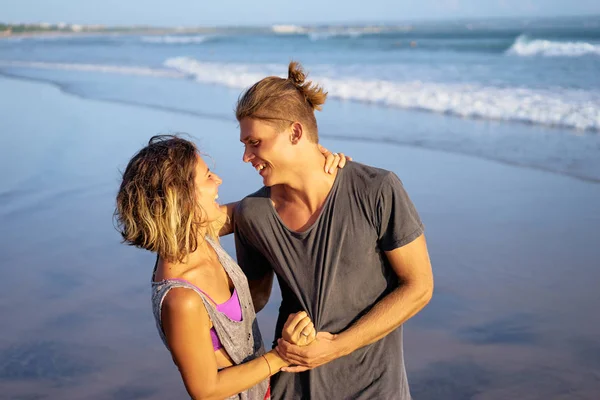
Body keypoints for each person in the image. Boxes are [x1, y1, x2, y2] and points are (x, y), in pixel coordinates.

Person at [233, 61, 434, 399]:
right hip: (291, 388)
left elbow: (419, 287)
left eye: (255, 142)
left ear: (295, 133)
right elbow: (253, 298)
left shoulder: (375, 189)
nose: (245, 156)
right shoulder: (253, 213)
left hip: (376, 389)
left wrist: (337, 346)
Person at [114, 135, 348, 399]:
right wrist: (282, 355)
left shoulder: (201, 234)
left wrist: (317, 166)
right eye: (207, 176)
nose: (218, 181)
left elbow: (272, 206)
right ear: (180, 196)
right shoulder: (183, 299)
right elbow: (206, 389)